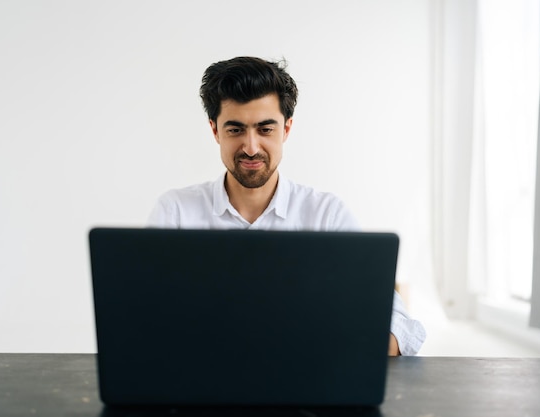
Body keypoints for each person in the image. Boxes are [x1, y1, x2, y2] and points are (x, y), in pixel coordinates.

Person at [148, 56, 426, 356]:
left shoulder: (326, 216)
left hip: (306, 383)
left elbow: (401, 329)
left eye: (265, 129)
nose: (251, 147)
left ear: (286, 129)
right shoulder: (175, 211)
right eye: (235, 130)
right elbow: (141, 316)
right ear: (216, 131)